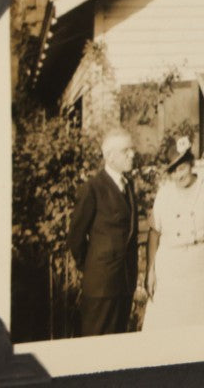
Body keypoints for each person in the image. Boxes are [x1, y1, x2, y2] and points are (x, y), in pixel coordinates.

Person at [143, 137, 204, 329]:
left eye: (182, 168)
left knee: (202, 323)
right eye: (173, 171)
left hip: (201, 266)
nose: (178, 176)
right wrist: (151, 271)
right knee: (169, 323)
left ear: (191, 164)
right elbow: (154, 234)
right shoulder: (164, 194)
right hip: (171, 267)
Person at [67, 128, 139, 336]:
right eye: (126, 150)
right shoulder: (93, 188)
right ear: (110, 156)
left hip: (124, 283)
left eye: (131, 149)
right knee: (96, 347)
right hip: (101, 285)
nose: (132, 154)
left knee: (118, 345)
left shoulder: (128, 185)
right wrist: (91, 266)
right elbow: (76, 237)